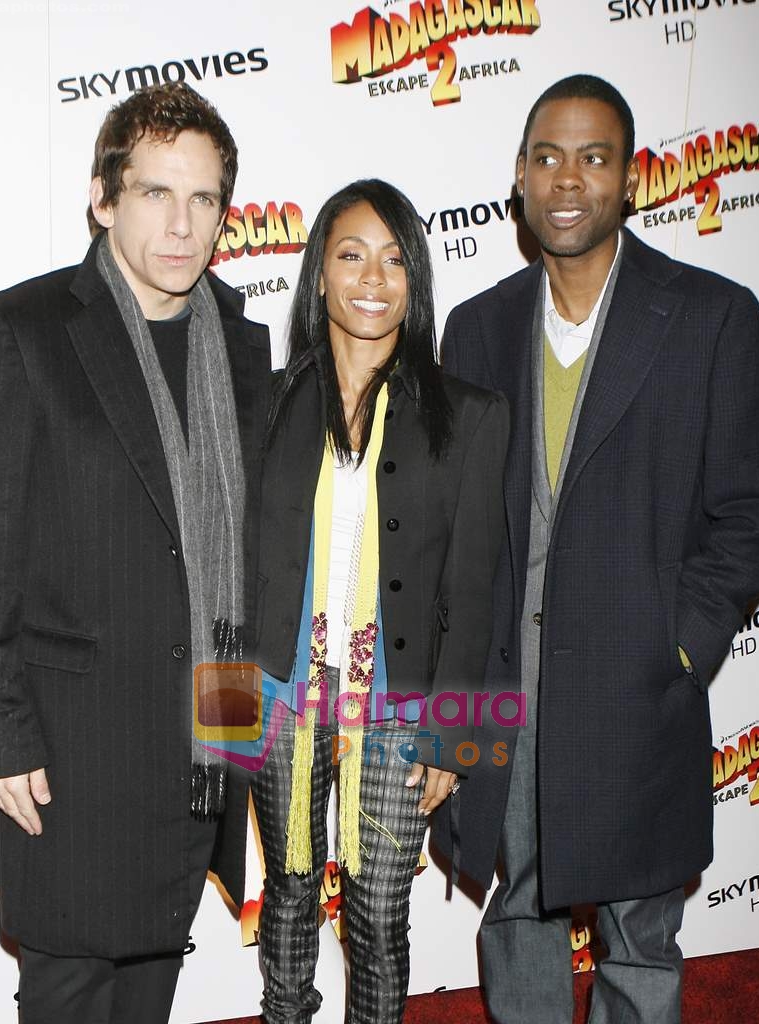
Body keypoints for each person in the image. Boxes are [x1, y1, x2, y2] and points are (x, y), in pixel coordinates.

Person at [437, 74, 759, 1024]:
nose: (566, 179)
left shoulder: (711, 317)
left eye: (593, 158)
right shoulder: (476, 328)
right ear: (517, 175)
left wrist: (678, 646)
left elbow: (755, 508)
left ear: (628, 180)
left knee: (639, 934)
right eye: (546, 155)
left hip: (637, 688)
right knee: (515, 911)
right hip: (502, 690)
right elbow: (451, 536)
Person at [0, 82, 270, 1024]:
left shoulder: (241, 351)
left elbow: (235, 558)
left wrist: (233, 730)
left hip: (196, 751)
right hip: (68, 762)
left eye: (204, 199)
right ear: (103, 197)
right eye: (157, 192)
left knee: (148, 1004)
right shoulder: (17, 332)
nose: (182, 223)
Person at [251, 179, 508, 1023]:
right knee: (287, 887)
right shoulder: (270, 403)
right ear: (319, 273)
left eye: (395, 259)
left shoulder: (469, 417)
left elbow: (476, 590)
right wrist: (218, 720)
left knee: (378, 913)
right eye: (351, 255)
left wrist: (459, 736)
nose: (372, 277)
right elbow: (234, 573)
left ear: (416, 282)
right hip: (279, 698)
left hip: (400, 713)